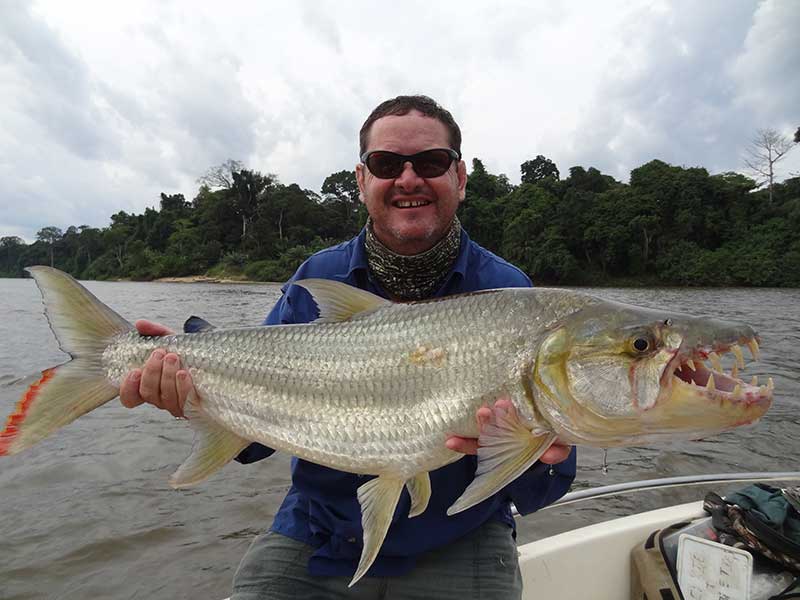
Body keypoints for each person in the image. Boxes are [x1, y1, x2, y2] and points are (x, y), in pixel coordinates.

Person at [120, 95, 576, 599]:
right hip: (319, 529)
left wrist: (543, 455)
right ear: (361, 181)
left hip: (459, 531)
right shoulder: (317, 276)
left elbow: (545, 486)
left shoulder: (512, 295)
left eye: (430, 162)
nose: (408, 179)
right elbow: (256, 439)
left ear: (460, 179)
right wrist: (191, 395)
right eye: (386, 164)